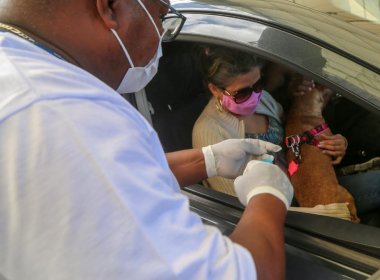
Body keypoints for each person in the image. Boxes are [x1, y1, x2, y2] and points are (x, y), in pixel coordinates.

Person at [0, 1, 294, 279]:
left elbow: (117, 174)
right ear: (110, 7)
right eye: (160, 15)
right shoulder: (60, 113)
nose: (162, 35)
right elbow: (244, 274)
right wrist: (270, 194)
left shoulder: (22, 75)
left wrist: (208, 160)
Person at [192, 45, 380, 232]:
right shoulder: (209, 131)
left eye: (258, 85)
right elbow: (236, 210)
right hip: (285, 213)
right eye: (242, 93)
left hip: (305, 184)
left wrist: (336, 143)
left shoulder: (265, 101)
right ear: (215, 89)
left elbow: (297, 139)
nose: (254, 96)